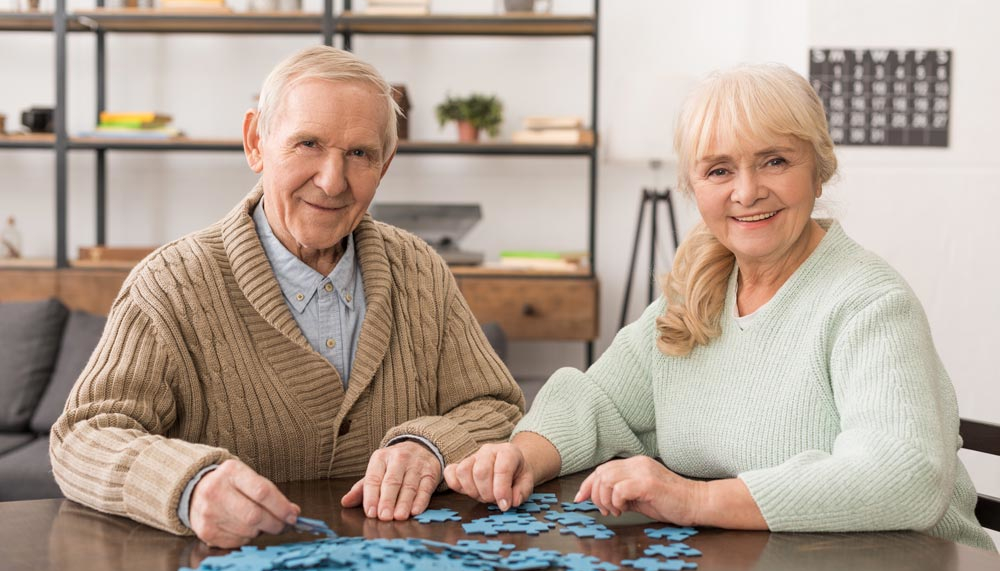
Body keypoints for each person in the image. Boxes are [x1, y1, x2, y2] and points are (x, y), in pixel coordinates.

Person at [444, 63, 995, 551]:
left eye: (774, 160)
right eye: (719, 170)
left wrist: (694, 500)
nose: (747, 191)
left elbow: (903, 478)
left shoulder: (869, 303)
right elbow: (599, 399)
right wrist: (522, 453)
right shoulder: (698, 288)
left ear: (819, 169)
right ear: (693, 186)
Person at [49, 45, 524, 548]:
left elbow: (497, 407)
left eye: (359, 154)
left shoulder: (421, 270)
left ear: (384, 166)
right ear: (256, 142)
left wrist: (430, 445)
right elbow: (84, 437)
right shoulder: (169, 285)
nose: (331, 180)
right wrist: (189, 485)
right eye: (308, 144)